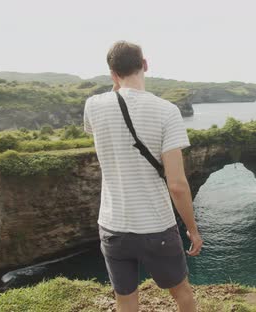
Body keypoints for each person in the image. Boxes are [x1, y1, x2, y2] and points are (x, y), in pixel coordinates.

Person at [83, 40, 203, 312]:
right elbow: (177, 185)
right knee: (181, 291)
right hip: (156, 228)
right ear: (145, 64)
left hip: (112, 227)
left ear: (112, 73)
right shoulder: (167, 111)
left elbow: (96, 128)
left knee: (125, 299)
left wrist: (115, 88)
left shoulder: (93, 105)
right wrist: (192, 230)